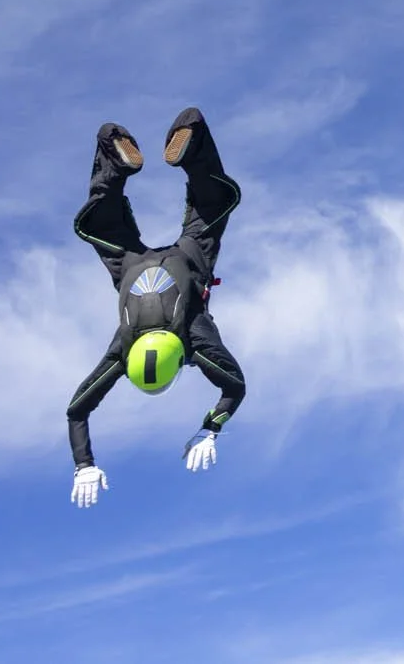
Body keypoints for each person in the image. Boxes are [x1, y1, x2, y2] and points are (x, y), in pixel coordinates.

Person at [67, 110, 246, 508]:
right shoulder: (124, 346)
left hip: (187, 259)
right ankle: (111, 155)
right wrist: (82, 465)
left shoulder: (194, 339)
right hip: (131, 264)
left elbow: (234, 387)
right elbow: (76, 411)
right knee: (102, 223)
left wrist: (210, 429)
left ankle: (192, 136)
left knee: (212, 206)